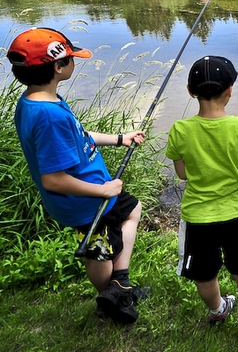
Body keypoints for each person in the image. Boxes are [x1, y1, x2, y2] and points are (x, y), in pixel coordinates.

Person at [7, 27, 148, 323]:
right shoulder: (49, 116)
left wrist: (120, 138)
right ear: (58, 67)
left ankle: (120, 283)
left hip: (94, 192)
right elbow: (53, 179)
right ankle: (110, 300)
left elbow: (79, 136)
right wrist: (104, 191)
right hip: (87, 199)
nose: (74, 61)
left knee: (132, 209)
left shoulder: (36, 101)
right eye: (71, 58)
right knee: (100, 252)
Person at [165, 55, 238, 342]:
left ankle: (218, 309)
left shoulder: (180, 130)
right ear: (230, 90)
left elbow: (182, 174)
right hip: (235, 213)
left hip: (197, 216)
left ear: (190, 91)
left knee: (205, 274)